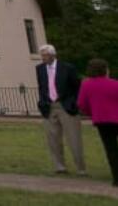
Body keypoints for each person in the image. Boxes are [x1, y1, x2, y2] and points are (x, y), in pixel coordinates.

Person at [36, 44, 86, 175]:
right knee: (53, 138)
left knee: (74, 138)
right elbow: (42, 86)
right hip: (49, 107)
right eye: (42, 55)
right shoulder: (40, 69)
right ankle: (60, 166)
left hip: (66, 106)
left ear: (53, 55)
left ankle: (81, 168)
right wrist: (42, 102)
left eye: (45, 55)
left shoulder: (68, 68)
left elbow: (77, 87)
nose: (43, 58)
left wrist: (74, 104)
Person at [78, 58, 118, 187]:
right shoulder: (115, 84)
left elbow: (82, 104)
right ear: (105, 69)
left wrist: (93, 112)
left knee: (111, 149)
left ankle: (116, 178)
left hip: (102, 120)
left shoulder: (86, 84)